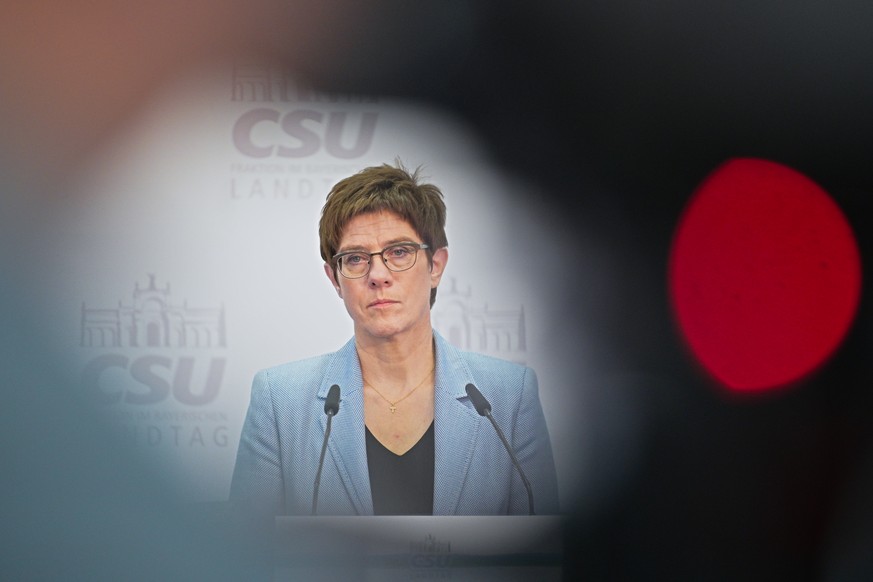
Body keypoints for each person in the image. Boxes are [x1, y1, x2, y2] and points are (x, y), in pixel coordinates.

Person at [230, 162, 559, 516]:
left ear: (435, 266)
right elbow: (247, 554)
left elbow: (545, 551)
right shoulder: (279, 402)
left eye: (399, 252)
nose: (378, 275)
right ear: (334, 279)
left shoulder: (508, 396)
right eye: (355, 258)